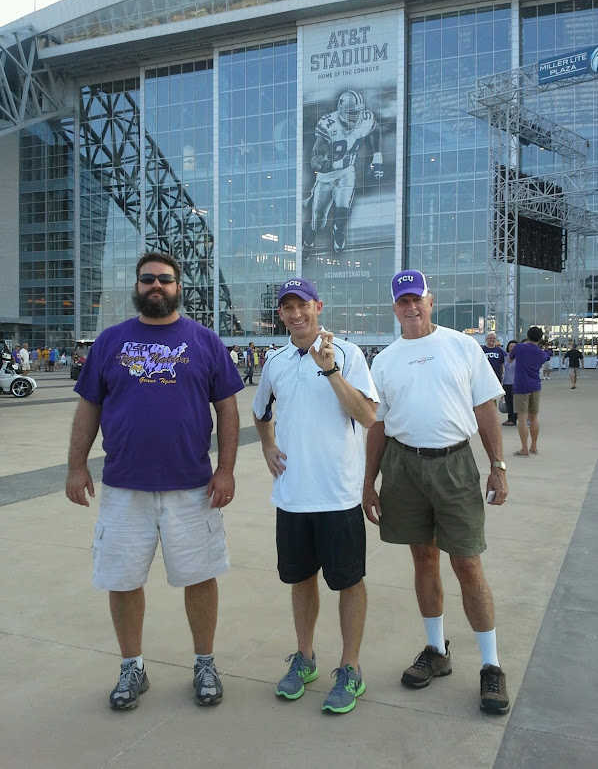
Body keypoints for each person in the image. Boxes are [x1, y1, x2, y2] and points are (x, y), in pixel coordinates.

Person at [65, 251, 244, 711]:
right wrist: (76, 465)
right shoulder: (110, 342)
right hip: (125, 487)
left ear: (178, 286)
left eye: (165, 279)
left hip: (192, 488)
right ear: (137, 286)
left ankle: (205, 663)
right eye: (148, 279)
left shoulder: (205, 341)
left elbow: (227, 409)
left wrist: (225, 469)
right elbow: (89, 407)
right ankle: (133, 667)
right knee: (123, 580)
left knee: (200, 577)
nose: (156, 286)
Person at [363, 270, 510, 715]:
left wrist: (498, 466)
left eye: (417, 299)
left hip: (455, 464)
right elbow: (379, 426)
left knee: (467, 563)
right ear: (394, 308)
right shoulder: (385, 360)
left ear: (431, 301)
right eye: (402, 301)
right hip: (403, 467)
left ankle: (491, 665)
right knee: (424, 558)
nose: (410, 307)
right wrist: (369, 482)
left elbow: (485, 408)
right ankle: (436, 651)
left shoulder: (461, 346)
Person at [252, 277, 379, 714]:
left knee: (349, 582)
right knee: (301, 579)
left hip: (338, 495)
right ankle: (304, 658)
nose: (296, 314)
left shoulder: (347, 354)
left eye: (302, 305)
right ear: (280, 315)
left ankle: (350, 668)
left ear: (318, 307)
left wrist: (330, 371)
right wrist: (268, 445)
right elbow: (261, 411)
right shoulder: (275, 361)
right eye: (287, 307)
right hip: (293, 496)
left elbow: (368, 416)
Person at [303, 90, 383, 254]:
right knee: (318, 220)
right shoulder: (329, 123)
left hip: (346, 172)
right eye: (353, 113)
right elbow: (317, 152)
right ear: (342, 111)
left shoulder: (366, 119)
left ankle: (338, 230)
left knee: (343, 208)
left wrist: (377, 156)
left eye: (359, 112)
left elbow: (376, 130)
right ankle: (308, 242)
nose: (357, 116)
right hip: (326, 177)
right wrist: (319, 162)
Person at [509, 327, 550, 456]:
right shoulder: (541, 353)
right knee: (533, 417)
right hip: (535, 385)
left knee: (522, 417)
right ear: (540, 338)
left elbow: (510, 359)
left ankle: (524, 448)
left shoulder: (519, 347)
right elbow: (544, 358)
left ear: (527, 336)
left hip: (521, 385)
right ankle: (534, 446)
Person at [502, 340, 518, 426]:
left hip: (515, 383)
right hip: (506, 382)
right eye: (510, 346)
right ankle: (509, 418)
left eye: (514, 347)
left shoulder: (519, 357)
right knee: (508, 402)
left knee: (514, 402)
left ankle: (514, 419)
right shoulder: (505, 356)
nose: (512, 348)